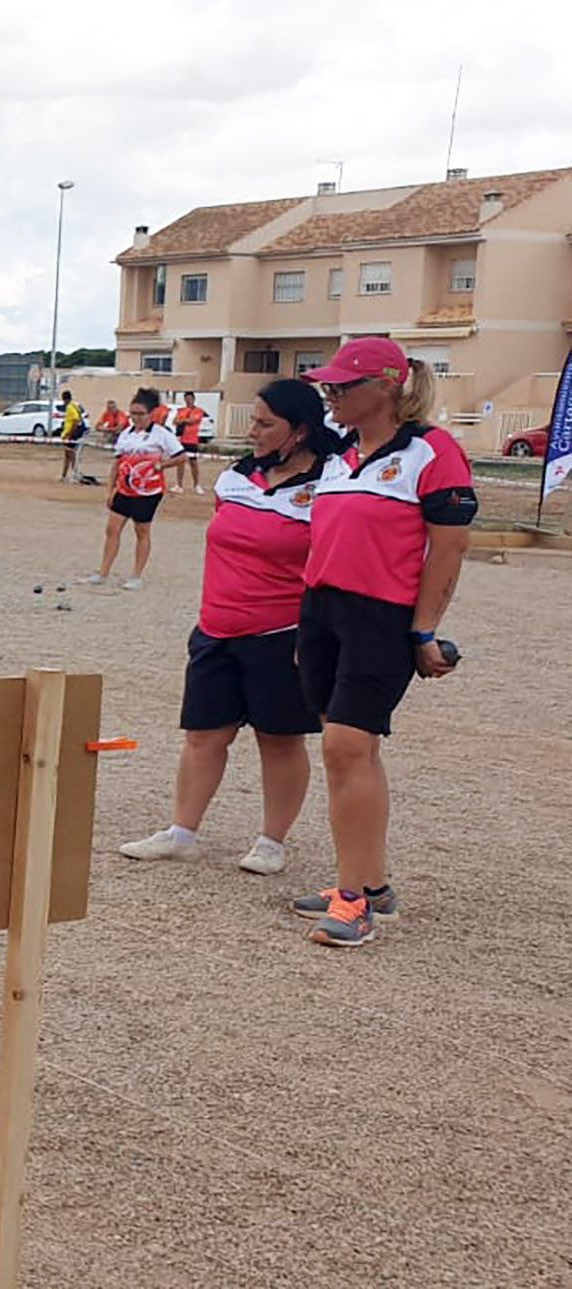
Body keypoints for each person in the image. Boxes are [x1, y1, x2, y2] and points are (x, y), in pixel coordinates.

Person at [289, 338, 475, 948]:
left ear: (387, 387)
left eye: (342, 386)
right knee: (351, 752)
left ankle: (352, 904)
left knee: (346, 747)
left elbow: (448, 550)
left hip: (380, 617)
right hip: (323, 612)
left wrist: (424, 630)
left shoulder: (431, 451)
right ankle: (369, 884)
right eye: (329, 386)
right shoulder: (341, 455)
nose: (330, 395)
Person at [119, 379, 342, 875]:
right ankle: (182, 832)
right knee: (203, 735)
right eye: (253, 421)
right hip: (216, 629)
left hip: (281, 635)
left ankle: (272, 841)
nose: (253, 432)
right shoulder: (234, 479)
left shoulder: (329, 486)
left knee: (279, 739)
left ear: (301, 430)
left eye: (266, 424)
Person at [82, 387, 185, 590]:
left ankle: (136, 575)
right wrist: (110, 489)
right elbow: (117, 463)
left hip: (148, 492)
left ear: (151, 413)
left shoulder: (161, 434)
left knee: (141, 531)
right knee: (112, 529)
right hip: (124, 489)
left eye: (141, 413)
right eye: (133, 413)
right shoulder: (126, 435)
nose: (136, 418)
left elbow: (181, 456)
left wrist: (161, 465)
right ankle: (103, 573)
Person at [170, 391, 208, 494]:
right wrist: (181, 420)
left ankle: (197, 485)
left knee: (193, 462)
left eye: (190, 398)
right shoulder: (181, 410)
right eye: (186, 398)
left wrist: (182, 420)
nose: (188, 400)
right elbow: (175, 421)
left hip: (192, 439)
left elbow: (193, 420)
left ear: (193, 399)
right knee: (180, 462)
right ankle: (179, 485)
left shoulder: (198, 410)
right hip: (181, 439)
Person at [57, 388, 86, 483]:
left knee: (71, 455)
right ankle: (65, 475)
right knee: (68, 455)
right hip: (70, 434)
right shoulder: (74, 406)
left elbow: (76, 420)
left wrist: (70, 434)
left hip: (71, 435)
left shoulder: (70, 407)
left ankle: (74, 474)